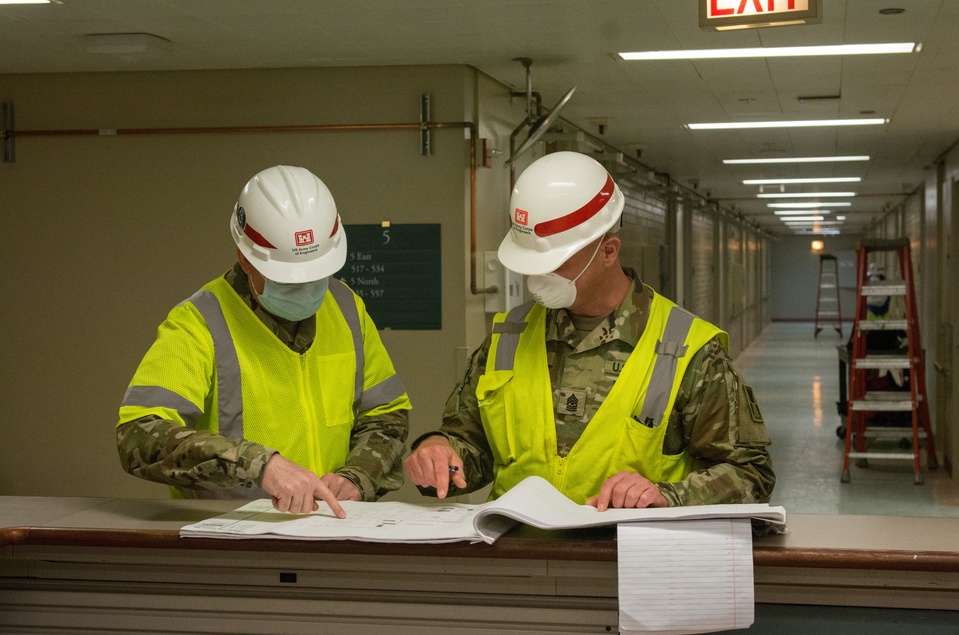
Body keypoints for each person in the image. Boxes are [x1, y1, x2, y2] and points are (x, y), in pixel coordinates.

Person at [405, 151, 774, 510]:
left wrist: (667, 495)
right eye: (531, 264)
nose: (538, 279)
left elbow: (751, 474)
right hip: (518, 556)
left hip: (623, 557)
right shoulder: (508, 337)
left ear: (609, 251)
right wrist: (438, 451)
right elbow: (471, 447)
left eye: (553, 263)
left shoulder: (688, 349)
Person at [117, 165, 411, 517]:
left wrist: (358, 475)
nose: (306, 289)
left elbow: (387, 414)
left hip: (332, 529)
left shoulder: (347, 308)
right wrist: (260, 465)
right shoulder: (199, 323)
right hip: (232, 540)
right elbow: (139, 433)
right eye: (287, 278)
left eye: (318, 275)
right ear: (244, 257)